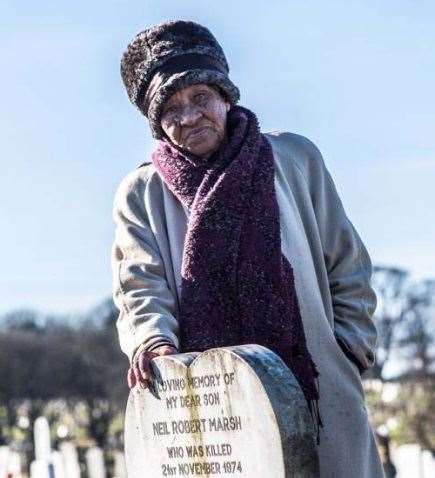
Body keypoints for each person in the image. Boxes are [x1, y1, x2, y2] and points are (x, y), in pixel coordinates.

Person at [112, 20, 385, 477]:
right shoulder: (141, 192)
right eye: (171, 110)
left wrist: (349, 349)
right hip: (205, 407)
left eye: (200, 97)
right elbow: (139, 286)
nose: (189, 116)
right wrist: (155, 344)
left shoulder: (295, 158)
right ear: (158, 125)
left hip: (320, 387)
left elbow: (347, 263)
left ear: (225, 96)